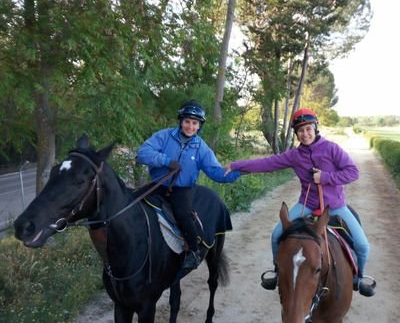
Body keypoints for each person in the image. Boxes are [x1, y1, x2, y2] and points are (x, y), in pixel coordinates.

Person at [226, 108, 375, 297]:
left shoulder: (332, 148)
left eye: (308, 129)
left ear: (315, 128)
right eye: (300, 131)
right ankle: (278, 273)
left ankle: (358, 278)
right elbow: (267, 163)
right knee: (276, 234)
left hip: (336, 207)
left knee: (362, 246)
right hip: (308, 205)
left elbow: (353, 172)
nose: (305, 134)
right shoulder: (295, 155)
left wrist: (326, 177)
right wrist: (236, 166)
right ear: (296, 133)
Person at [136, 100, 241, 270]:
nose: (190, 127)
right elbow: (142, 154)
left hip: (182, 190)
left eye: (194, 123)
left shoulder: (202, 148)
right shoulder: (164, 136)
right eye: (187, 121)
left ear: (199, 126)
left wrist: (240, 170)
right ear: (181, 121)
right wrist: (166, 161)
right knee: (132, 201)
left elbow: (216, 172)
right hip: (158, 185)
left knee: (183, 215)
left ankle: (193, 251)